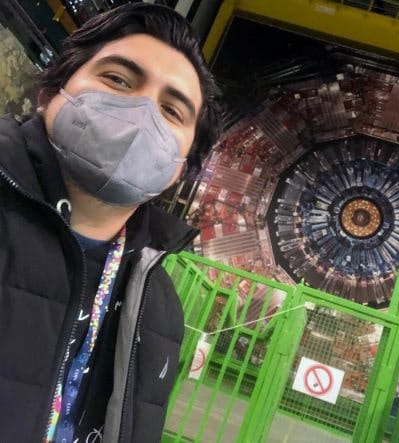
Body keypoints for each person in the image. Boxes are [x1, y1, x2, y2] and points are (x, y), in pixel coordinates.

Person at [0, 3, 221, 442]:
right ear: (51, 95)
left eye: (172, 111)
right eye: (117, 79)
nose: (141, 114)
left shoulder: (160, 311)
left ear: (178, 168)